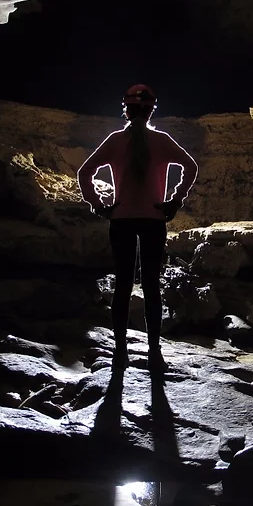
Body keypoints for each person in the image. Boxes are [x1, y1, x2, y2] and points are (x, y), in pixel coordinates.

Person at [77, 84, 199, 372]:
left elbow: (85, 173)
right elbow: (190, 167)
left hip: (121, 220)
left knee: (122, 285)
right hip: (154, 220)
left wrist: (98, 204)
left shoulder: (115, 141)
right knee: (152, 287)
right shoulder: (163, 141)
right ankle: (154, 350)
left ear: (126, 110)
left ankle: (121, 352)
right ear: (151, 110)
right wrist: (174, 201)